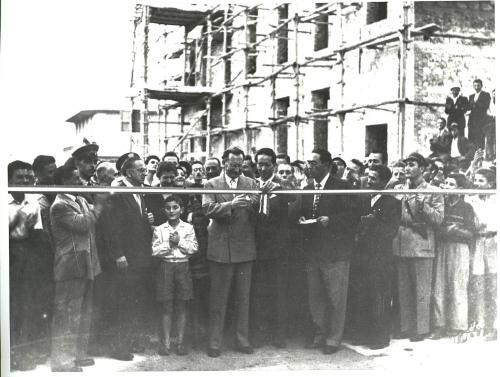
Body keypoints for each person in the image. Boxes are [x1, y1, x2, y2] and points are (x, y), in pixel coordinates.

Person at [296, 149, 357, 354]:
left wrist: (331, 221)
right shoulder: (307, 187)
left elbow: (352, 216)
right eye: (308, 163)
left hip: (335, 252)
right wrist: (303, 221)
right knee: (316, 297)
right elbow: (304, 213)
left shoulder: (342, 186)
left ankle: (334, 338)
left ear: (326, 165)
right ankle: (319, 334)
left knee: (336, 298)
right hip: (313, 251)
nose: (309, 167)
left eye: (313, 163)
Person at [49, 164, 108, 372]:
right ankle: (62, 362)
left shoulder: (80, 199)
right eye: (75, 179)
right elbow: (83, 224)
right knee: (67, 315)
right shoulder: (59, 205)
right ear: (63, 182)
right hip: (70, 266)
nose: (81, 182)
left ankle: (78, 355)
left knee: (83, 313)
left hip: (86, 265)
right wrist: (99, 205)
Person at [202, 146, 259, 357]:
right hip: (221, 250)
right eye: (232, 165)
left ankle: (242, 340)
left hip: (245, 249)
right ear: (224, 163)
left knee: (243, 299)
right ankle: (214, 343)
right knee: (218, 299)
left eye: (240, 165)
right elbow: (207, 209)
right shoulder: (211, 184)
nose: (236, 169)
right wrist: (231, 204)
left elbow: (258, 213)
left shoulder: (251, 183)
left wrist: (255, 203)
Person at [106, 153, 154, 361]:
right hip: (126, 257)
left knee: (135, 300)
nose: (144, 173)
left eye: (144, 170)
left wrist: (148, 219)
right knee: (123, 302)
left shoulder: (139, 191)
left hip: (140, 256)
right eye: (140, 170)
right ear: (128, 172)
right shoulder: (119, 192)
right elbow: (112, 227)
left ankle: (130, 341)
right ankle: (119, 346)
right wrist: (118, 254)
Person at [393, 152, 444, 342]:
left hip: (421, 244)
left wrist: (424, 207)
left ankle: (421, 329)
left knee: (421, 290)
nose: (407, 168)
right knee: (403, 288)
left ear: (422, 169)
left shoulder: (433, 190)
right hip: (401, 243)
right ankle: (406, 327)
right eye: (406, 164)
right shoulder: (399, 188)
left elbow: (439, 219)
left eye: (412, 164)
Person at [350, 165, 401, 349]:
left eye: (373, 178)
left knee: (379, 297)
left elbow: (390, 231)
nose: (369, 181)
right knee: (362, 295)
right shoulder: (363, 199)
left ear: (383, 181)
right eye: (368, 177)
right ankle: (362, 334)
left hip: (380, 258)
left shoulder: (392, 203)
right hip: (361, 256)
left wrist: (374, 222)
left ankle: (378, 338)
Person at [250, 148, 291, 348]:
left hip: (277, 249)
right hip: (256, 248)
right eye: (260, 164)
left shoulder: (282, 188)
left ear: (274, 165)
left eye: (267, 164)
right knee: (258, 292)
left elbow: (286, 217)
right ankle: (260, 333)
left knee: (279, 292)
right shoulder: (251, 186)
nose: (263, 168)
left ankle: (280, 334)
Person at [430, 172, 475, 342]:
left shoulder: (466, 207)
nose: (446, 187)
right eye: (446, 183)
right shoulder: (442, 204)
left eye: (451, 184)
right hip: (442, 247)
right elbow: (435, 226)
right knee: (439, 285)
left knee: (457, 286)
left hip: (459, 248)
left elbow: (471, 233)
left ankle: (457, 326)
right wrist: (446, 230)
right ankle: (439, 325)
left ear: (460, 188)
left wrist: (456, 231)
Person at [8, 160, 44, 371]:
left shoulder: (33, 202)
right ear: (9, 180)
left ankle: (21, 354)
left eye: (28, 178)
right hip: (7, 256)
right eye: (19, 178)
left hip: (26, 257)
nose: (24, 181)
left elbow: (37, 234)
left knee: (25, 306)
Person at [152, 195, 198, 355]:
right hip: (166, 267)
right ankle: (165, 342)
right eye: (168, 208)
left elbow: (193, 249)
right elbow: (155, 250)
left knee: (182, 305)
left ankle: (180, 342)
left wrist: (179, 242)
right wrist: (169, 244)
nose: (171, 211)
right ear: (164, 210)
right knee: (166, 306)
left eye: (175, 207)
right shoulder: (160, 229)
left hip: (183, 267)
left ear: (182, 209)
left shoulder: (188, 228)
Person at [467, 168, 497, 341]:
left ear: (490, 183)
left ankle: (493, 326)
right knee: (479, 285)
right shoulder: (473, 200)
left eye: (481, 181)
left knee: (493, 284)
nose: (477, 184)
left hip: (494, 242)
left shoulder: (496, 199)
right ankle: (481, 323)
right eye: (476, 180)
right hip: (478, 242)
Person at [467, 79, 491, 149]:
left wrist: (475, 104)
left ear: (481, 86)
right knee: (471, 138)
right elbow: (469, 107)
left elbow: (485, 105)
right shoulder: (471, 96)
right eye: (475, 85)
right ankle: (472, 156)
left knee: (480, 138)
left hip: (481, 120)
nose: (476, 87)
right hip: (472, 120)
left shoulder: (486, 95)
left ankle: (480, 156)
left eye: (478, 85)